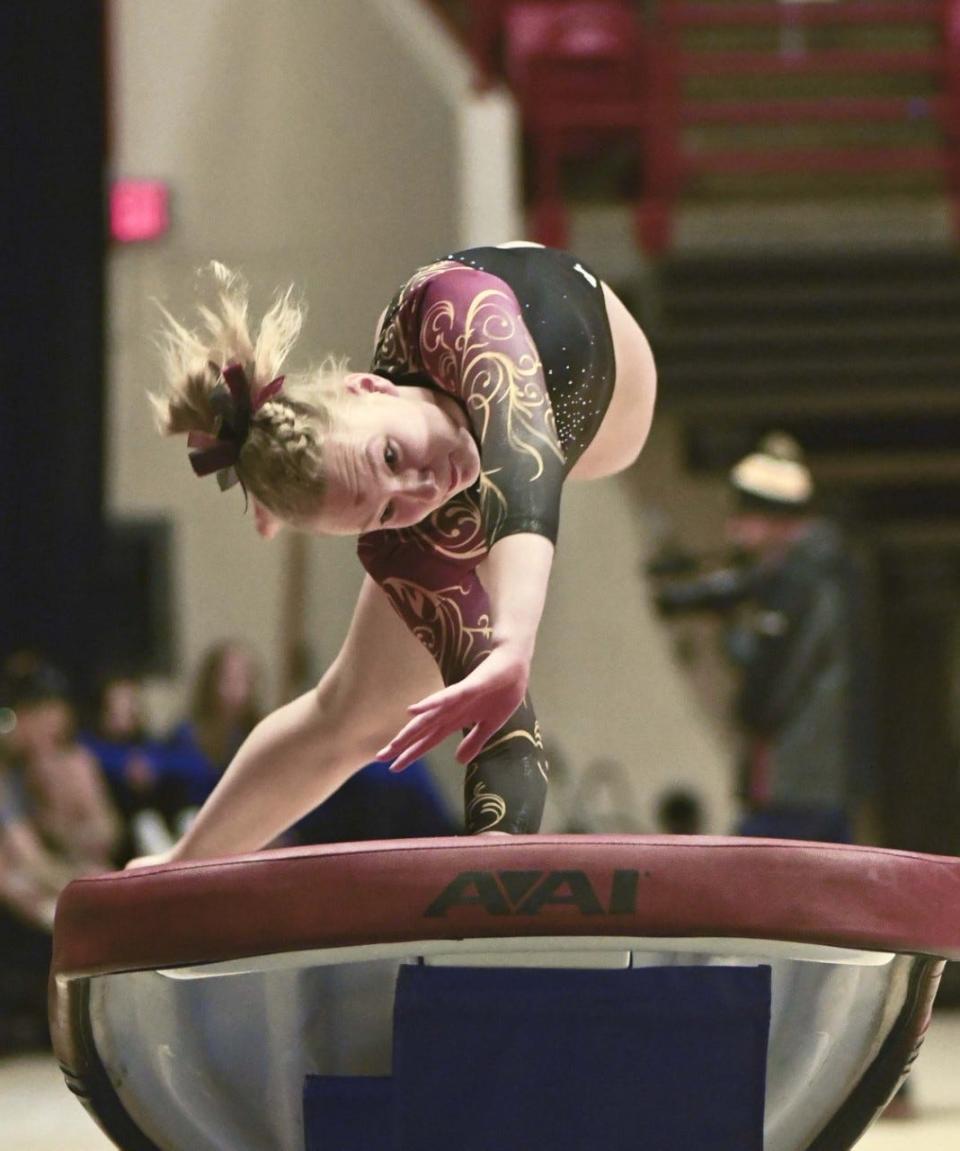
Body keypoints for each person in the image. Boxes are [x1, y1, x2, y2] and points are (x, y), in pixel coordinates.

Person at [135, 242, 656, 863]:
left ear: (368, 386)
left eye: (389, 455)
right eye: (381, 510)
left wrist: (513, 642)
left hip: (602, 372)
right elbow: (505, 743)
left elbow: (525, 462)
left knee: (497, 472)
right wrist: (492, 867)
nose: (418, 486)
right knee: (350, 716)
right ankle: (185, 861)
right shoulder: (413, 541)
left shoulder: (450, 313)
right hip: (540, 455)